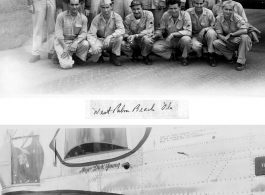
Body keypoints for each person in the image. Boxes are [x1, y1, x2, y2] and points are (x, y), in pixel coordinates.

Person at [213, 1, 252, 71]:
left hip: (240, 41)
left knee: (245, 37)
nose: (228, 12)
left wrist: (232, 34)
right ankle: (230, 56)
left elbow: (244, 30)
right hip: (229, 41)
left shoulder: (237, 17)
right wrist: (228, 39)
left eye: (230, 10)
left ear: (233, 10)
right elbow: (219, 34)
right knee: (216, 42)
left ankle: (241, 62)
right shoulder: (218, 18)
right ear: (222, 9)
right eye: (226, 9)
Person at [151, 0, 192, 66]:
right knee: (154, 47)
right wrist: (156, 35)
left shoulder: (185, 14)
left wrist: (172, 34)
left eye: (175, 8)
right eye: (171, 8)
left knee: (187, 39)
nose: (173, 11)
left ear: (179, 7)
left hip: (181, 40)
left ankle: (185, 57)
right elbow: (161, 29)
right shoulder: (165, 15)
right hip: (170, 41)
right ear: (168, 8)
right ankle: (172, 53)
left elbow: (188, 32)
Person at [87, 0, 125, 66]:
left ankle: (114, 56)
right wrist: (93, 45)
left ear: (111, 7)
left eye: (107, 7)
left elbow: (121, 30)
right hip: (100, 40)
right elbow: (91, 34)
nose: (105, 10)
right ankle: (99, 55)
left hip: (111, 40)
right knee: (93, 52)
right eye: (103, 8)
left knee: (119, 37)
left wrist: (110, 36)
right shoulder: (96, 18)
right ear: (100, 8)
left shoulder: (117, 17)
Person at [54, 0, 89, 69]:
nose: (74, 7)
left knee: (85, 43)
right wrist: (65, 47)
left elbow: (84, 33)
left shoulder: (83, 18)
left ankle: (76, 57)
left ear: (79, 5)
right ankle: (61, 55)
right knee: (67, 65)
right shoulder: (61, 16)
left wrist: (76, 42)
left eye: (76, 5)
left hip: (74, 42)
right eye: (72, 5)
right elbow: (59, 34)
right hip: (62, 42)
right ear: (68, 5)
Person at [121, 0, 154, 65]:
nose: (136, 11)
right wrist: (127, 37)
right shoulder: (128, 18)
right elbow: (125, 32)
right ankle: (134, 53)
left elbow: (149, 30)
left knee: (147, 40)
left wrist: (136, 35)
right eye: (134, 9)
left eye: (138, 9)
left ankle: (145, 55)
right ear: (131, 9)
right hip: (134, 41)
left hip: (144, 39)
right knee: (122, 43)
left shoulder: (149, 14)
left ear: (142, 7)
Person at [186, 0, 217, 66]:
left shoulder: (209, 12)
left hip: (205, 35)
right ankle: (199, 53)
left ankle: (211, 55)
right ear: (193, 3)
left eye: (201, 3)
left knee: (212, 33)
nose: (199, 6)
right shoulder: (188, 12)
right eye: (197, 3)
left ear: (204, 3)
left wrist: (204, 29)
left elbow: (214, 26)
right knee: (195, 46)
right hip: (194, 36)